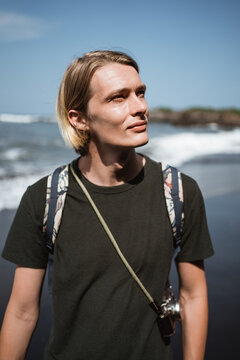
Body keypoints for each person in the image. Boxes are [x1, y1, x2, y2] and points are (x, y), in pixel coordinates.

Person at [0, 50, 214, 360]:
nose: (140, 107)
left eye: (140, 93)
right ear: (80, 119)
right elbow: (21, 311)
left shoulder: (179, 192)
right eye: (119, 98)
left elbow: (193, 296)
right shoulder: (45, 198)